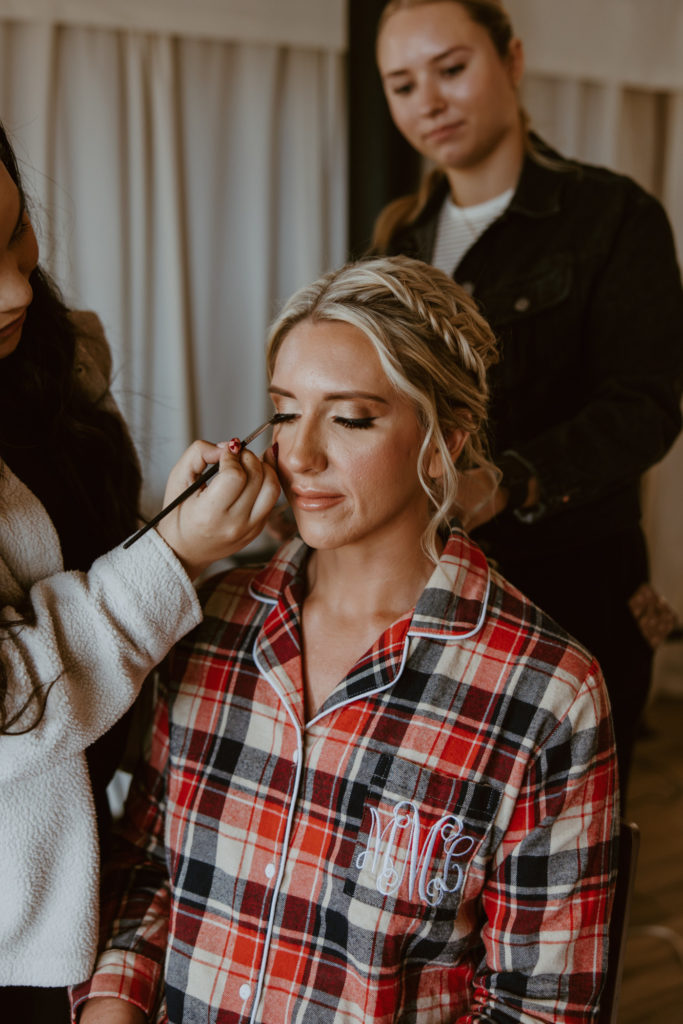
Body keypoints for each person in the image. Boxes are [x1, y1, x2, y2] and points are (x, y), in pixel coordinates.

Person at [73, 256, 618, 1024]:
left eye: (351, 418)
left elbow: (539, 1007)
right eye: (286, 412)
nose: (298, 456)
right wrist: (110, 1009)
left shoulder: (547, 692)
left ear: (443, 440)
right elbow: (148, 867)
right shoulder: (208, 619)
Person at [0, 120, 280, 1019]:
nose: (14, 287)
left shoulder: (53, 354)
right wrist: (175, 557)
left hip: (79, 865)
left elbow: (81, 563)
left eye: (13, 235)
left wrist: (159, 531)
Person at [371, 0, 683, 795]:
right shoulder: (396, 243)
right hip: (425, 595)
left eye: (451, 68)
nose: (428, 102)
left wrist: (505, 480)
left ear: (509, 60)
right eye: (402, 84)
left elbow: (644, 406)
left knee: (564, 858)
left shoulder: (612, 217)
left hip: (572, 593)